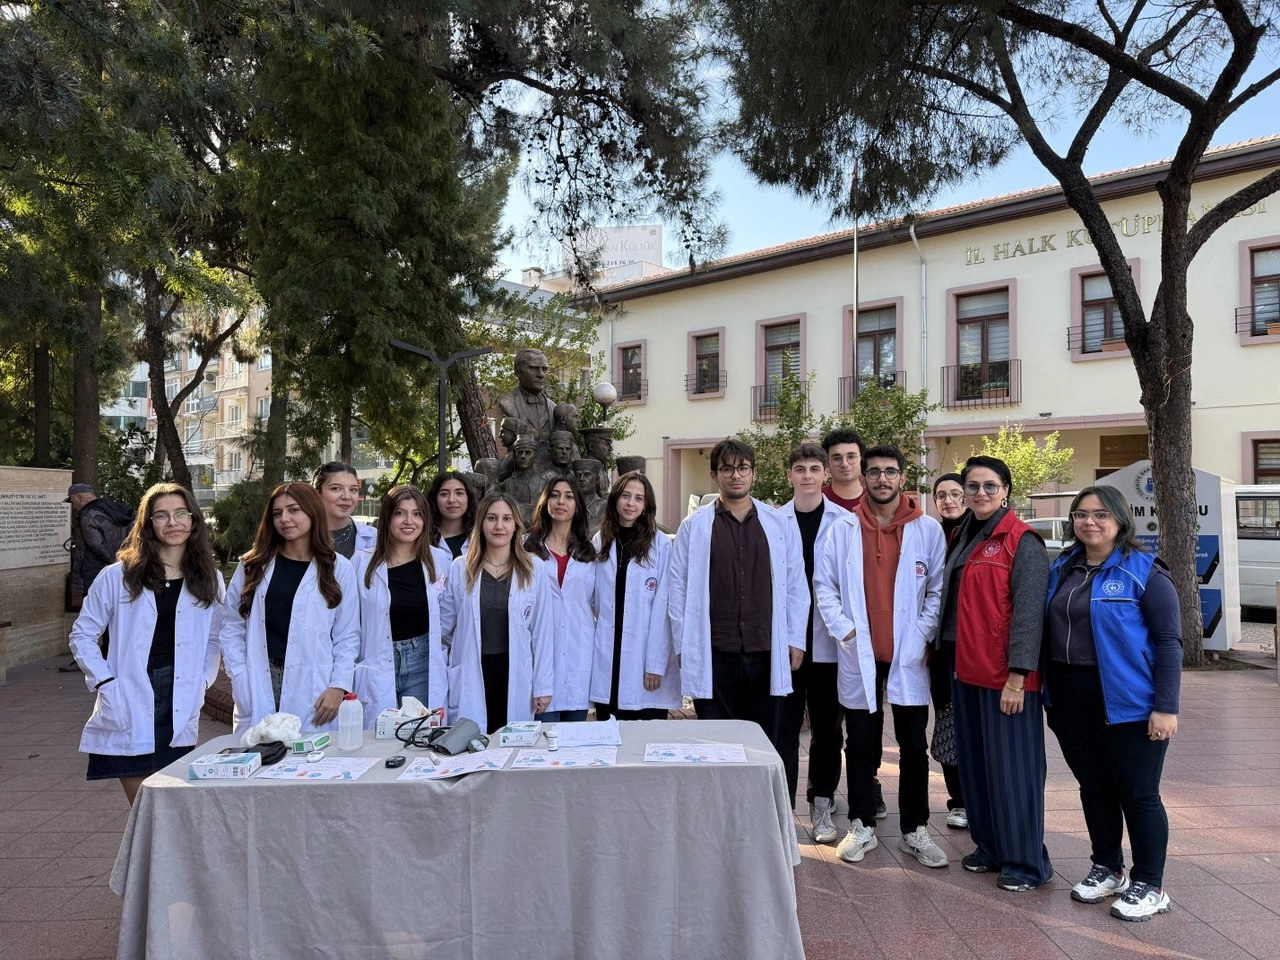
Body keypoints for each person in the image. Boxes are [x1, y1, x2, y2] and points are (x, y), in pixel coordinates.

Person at [1044, 485, 1182, 922]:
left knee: (1138, 794)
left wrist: (1166, 706)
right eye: (1081, 514)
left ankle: (1150, 883)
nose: (1089, 522)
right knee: (1094, 787)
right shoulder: (1062, 567)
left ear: (1120, 520)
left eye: (1101, 514)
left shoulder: (1145, 571)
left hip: (1130, 702)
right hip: (1070, 699)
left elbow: (1169, 642)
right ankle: (1108, 867)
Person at [815, 445, 948, 868]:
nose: (882, 479)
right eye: (874, 472)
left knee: (913, 744)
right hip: (859, 652)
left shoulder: (927, 529)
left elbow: (937, 590)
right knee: (859, 742)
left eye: (890, 472)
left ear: (903, 478)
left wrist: (921, 633)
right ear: (864, 479)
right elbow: (824, 585)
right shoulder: (842, 528)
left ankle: (915, 829)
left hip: (908, 653)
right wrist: (846, 630)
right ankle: (861, 824)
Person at [938, 455, 1053, 892]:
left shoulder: (1022, 541)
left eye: (990, 486)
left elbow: (1029, 615)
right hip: (966, 670)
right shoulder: (963, 534)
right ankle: (989, 847)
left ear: (1005, 491)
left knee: (1013, 773)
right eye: (973, 486)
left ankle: (1026, 864)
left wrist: (1018, 678)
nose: (980, 493)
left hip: (1007, 678)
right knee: (977, 768)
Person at [69, 484, 224, 805]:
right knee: (143, 807)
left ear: (193, 520)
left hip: (179, 692)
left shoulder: (209, 578)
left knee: (173, 806)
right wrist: (105, 681)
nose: (173, 522)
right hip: (128, 692)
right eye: (162, 516)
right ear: (148, 523)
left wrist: (204, 680)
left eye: (181, 513)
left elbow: (213, 637)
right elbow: (82, 634)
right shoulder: (117, 576)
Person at [667, 438, 807, 748]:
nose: (736, 475)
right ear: (714, 475)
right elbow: (677, 587)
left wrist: (795, 638)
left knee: (763, 743)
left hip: (766, 650)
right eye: (727, 469)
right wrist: (683, 644)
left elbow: (796, 584)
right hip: (715, 652)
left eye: (743, 468)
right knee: (717, 744)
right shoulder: (694, 526)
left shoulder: (779, 522)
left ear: (753, 473)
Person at [220, 482, 360, 733]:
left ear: (312, 512)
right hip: (260, 676)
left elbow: (347, 636)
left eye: (294, 510)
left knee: (309, 755)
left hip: (314, 682)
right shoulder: (253, 564)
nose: (284, 518)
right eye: (277, 513)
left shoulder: (339, 569)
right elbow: (232, 625)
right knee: (259, 750)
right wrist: (240, 676)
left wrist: (338, 686)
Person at [438, 492, 554, 733]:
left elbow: (542, 632)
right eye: (491, 518)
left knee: (511, 741)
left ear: (516, 525)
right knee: (472, 741)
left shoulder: (534, 569)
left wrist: (543, 686)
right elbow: (443, 628)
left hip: (514, 670)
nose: (499, 526)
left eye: (506, 519)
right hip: (472, 668)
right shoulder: (461, 568)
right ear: (481, 524)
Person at [775, 443, 843, 839]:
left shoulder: (844, 522)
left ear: (825, 475)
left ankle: (821, 803)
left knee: (828, 730)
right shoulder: (774, 520)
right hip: (786, 643)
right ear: (790, 475)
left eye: (814, 468)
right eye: (799, 468)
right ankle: (783, 810)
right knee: (784, 729)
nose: (807, 475)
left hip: (829, 642)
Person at [352, 486, 451, 719]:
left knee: (417, 732)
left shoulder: (439, 560)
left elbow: (447, 618)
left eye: (417, 514)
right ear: (387, 517)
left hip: (421, 663)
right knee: (377, 734)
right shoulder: (361, 562)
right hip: (377, 661)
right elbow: (350, 623)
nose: (409, 521)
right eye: (400, 513)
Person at [590, 472, 680, 721]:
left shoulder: (660, 545)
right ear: (615, 499)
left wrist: (655, 664)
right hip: (609, 655)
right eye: (626, 496)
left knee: (646, 733)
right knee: (609, 731)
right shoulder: (601, 541)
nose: (631, 503)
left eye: (638, 498)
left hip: (644, 657)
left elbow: (663, 607)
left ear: (646, 505)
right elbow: (593, 599)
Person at [524, 475, 597, 723]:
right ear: (545, 502)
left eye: (568, 496)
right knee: (542, 735)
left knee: (575, 736)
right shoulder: (527, 548)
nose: (561, 502)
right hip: (539, 656)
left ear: (578, 506)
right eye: (554, 495)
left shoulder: (590, 552)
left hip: (579, 655)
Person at [62, 483, 135, 671]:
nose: (73, 506)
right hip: (123, 568)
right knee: (115, 613)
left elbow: (96, 545)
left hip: (96, 571)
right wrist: (124, 563)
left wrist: (114, 564)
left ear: (79, 498)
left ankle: (95, 657)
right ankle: (111, 654)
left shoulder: (88, 515)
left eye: (72, 501)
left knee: (95, 615)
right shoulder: (116, 508)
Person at [930, 472, 968, 829]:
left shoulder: (976, 534)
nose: (949, 500)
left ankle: (978, 797)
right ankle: (959, 800)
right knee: (946, 719)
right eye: (941, 495)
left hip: (971, 646)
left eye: (955, 493)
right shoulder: (932, 535)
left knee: (972, 722)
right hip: (940, 647)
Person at [312, 462, 375, 559]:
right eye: (336, 488)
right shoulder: (300, 538)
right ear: (317, 493)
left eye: (353, 490)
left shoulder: (375, 538)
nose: (347, 497)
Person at [496, 349, 555, 440]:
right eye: (533, 368)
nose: (541, 374)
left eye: (544, 369)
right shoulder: (507, 403)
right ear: (518, 372)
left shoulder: (553, 407)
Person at [428, 471, 476, 559]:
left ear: (468, 497)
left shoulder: (481, 537)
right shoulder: (423, 539)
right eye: (444, 494)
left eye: (459, 493)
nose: (451, 500)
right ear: (434, 499)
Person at [820, 428, 866, 511]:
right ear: (827, 463)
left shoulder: (877, 498)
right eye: (837, 458)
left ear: (862, 460)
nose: (845, 464)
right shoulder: (816, 500)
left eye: (851, 457)